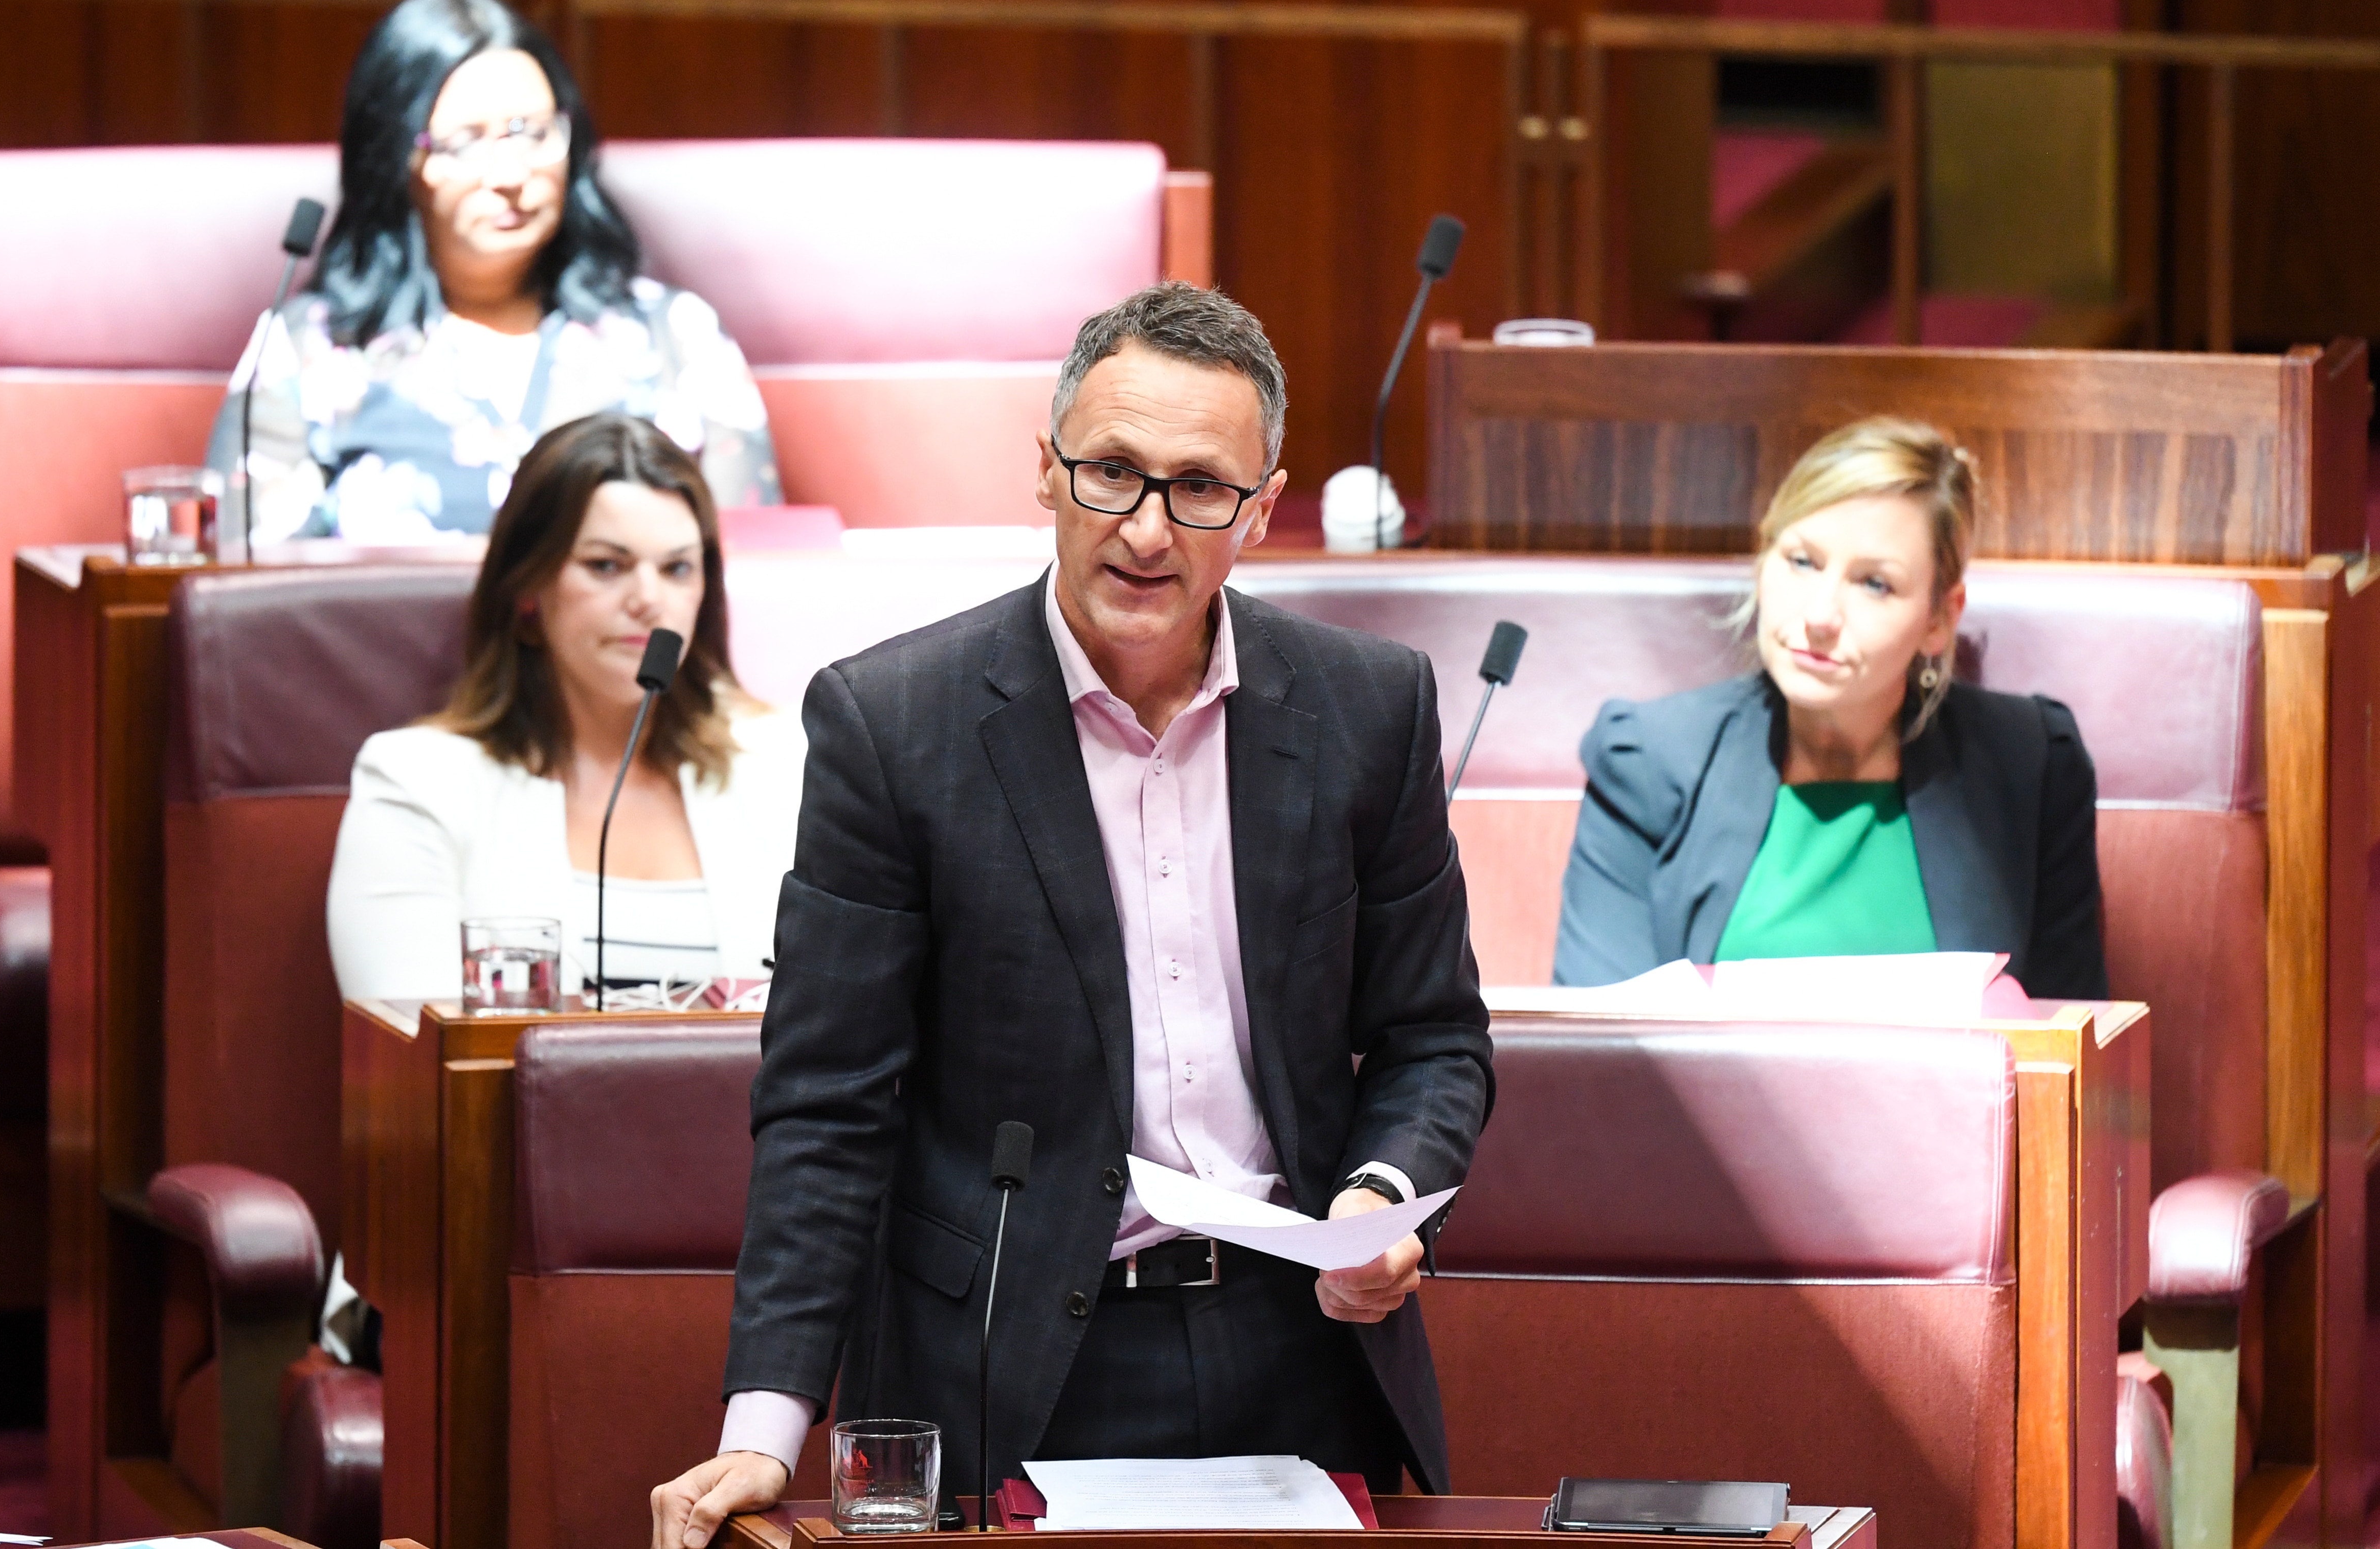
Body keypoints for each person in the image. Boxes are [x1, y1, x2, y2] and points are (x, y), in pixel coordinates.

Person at [651, 283, 1494, 1546]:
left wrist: (1377, 1198)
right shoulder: (895, 726)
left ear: (1261, 509)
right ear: (1043, 473)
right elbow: (828, 1104)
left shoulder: (1368, 711)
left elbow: (1432, 1037)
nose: (1146, 530)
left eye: (1200, 487)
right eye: (1111, 472)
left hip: (1299, 1350)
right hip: (1005, 1358)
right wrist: (762, 1433)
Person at [1551, 416, 2104, 997]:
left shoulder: (2032, 765)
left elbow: (2071, 1039)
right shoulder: (1645, 759)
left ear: (1939, 618)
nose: (1819, 616)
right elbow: (1596, 1045)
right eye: (1801, 561)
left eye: (1873, 584)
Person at [208, 0, 778, 545]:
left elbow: (756, 573)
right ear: (394, 157)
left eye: (531, 133)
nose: (509, 174)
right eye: (465, 142)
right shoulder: (311, 351)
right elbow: (248, 589)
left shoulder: (673, 336)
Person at [326, 413, 802, 1006]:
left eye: (677, 568)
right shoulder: (418, 782)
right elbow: (415, 1065)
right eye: (607, 565)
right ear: (527, 591)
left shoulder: (789, 763)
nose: (648, 600)